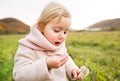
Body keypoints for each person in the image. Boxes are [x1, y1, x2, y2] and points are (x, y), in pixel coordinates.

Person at [13, 2, 89, 81]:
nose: (62, 36)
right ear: (41, 27)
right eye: (57, 30)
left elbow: (66, 60)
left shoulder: (59, 44)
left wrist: (73, 69)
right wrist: (46, 64)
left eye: (65, 32)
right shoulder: (28, 47)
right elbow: (19, 76)